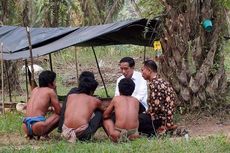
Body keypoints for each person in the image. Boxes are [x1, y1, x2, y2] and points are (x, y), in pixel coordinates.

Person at [61, 73, 103, 142]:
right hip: (83, 133)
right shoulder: (94, 100)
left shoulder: (70, 96)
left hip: (65, 131)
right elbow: (105, 110)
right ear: (91, 91)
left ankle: (74, 135)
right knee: (99, 113)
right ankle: (87, 137)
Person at [139, 60, 176, 137]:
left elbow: (156, 107)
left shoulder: (155, 84)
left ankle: (158, 130)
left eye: (143, 70)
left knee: (136, 120)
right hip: (166, 117)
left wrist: (147, 113)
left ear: (149, 70)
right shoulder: (162, 81)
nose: (141, 73)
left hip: (161, 119)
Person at [22, 70, 61, 139]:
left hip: (25, 126)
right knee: (61, 115)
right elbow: (59, 111)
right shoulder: (50, 91)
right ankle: (44, 134)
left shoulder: (35, 90)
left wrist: (49, 109)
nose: (56, 85)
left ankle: (29, 135)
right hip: (38, 126)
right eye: (54, 82)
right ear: (50, 84)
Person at [103, 78, 140, 142]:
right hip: (134, 134)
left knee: (105, 120)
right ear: (133, 90)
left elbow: (105, 115)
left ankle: (113, 135)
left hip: (118, 134)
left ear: (119, 90)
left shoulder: (116, 99)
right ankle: (133, 135)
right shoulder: (136, 101)